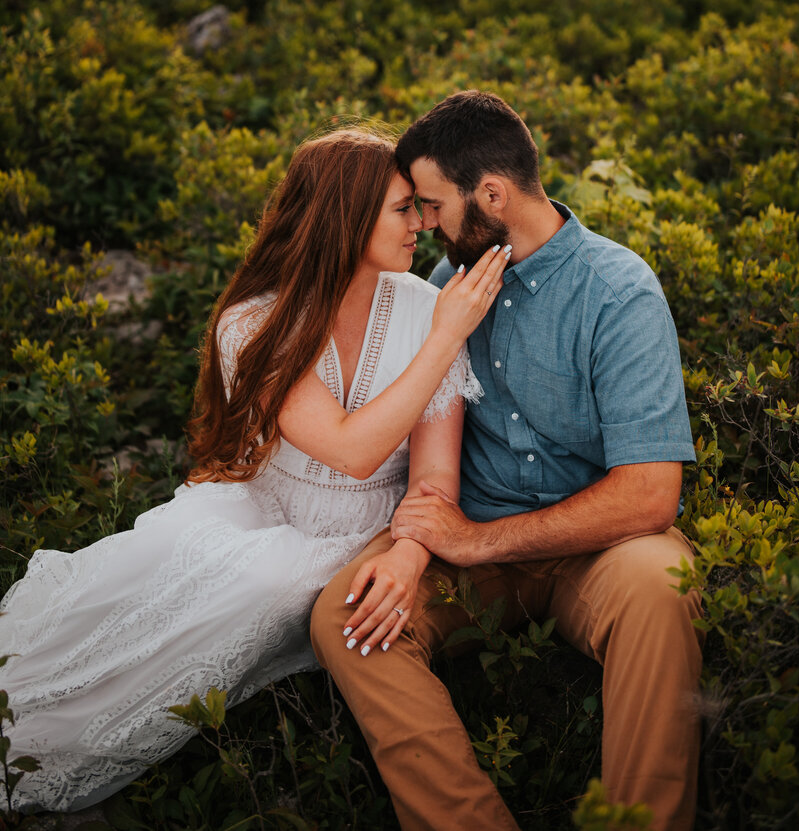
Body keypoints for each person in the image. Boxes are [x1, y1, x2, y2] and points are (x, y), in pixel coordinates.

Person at [0, 127, 510, 813]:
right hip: (261, 500)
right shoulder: (252, 322)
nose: (421, 221)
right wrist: (449, 334)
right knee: (153, 556)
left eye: (420, 207)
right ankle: (24, 708)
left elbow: (433, 481)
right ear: (346, 216)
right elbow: (348, 446)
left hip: (358, 532)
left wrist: (410, 555)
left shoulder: (426, 310)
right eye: (401, 209)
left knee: (258, 580)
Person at [311, 93, 704, 831]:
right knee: (347, 616)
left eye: (429, 204)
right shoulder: (442, 287)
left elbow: (651, 496)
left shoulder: (618, 293)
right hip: (470, 543)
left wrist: (478, 539)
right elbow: (426, 449)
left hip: (598, 549)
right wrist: (422, 546)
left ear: (490, 194)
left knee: (661, 581)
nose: (423, 222)